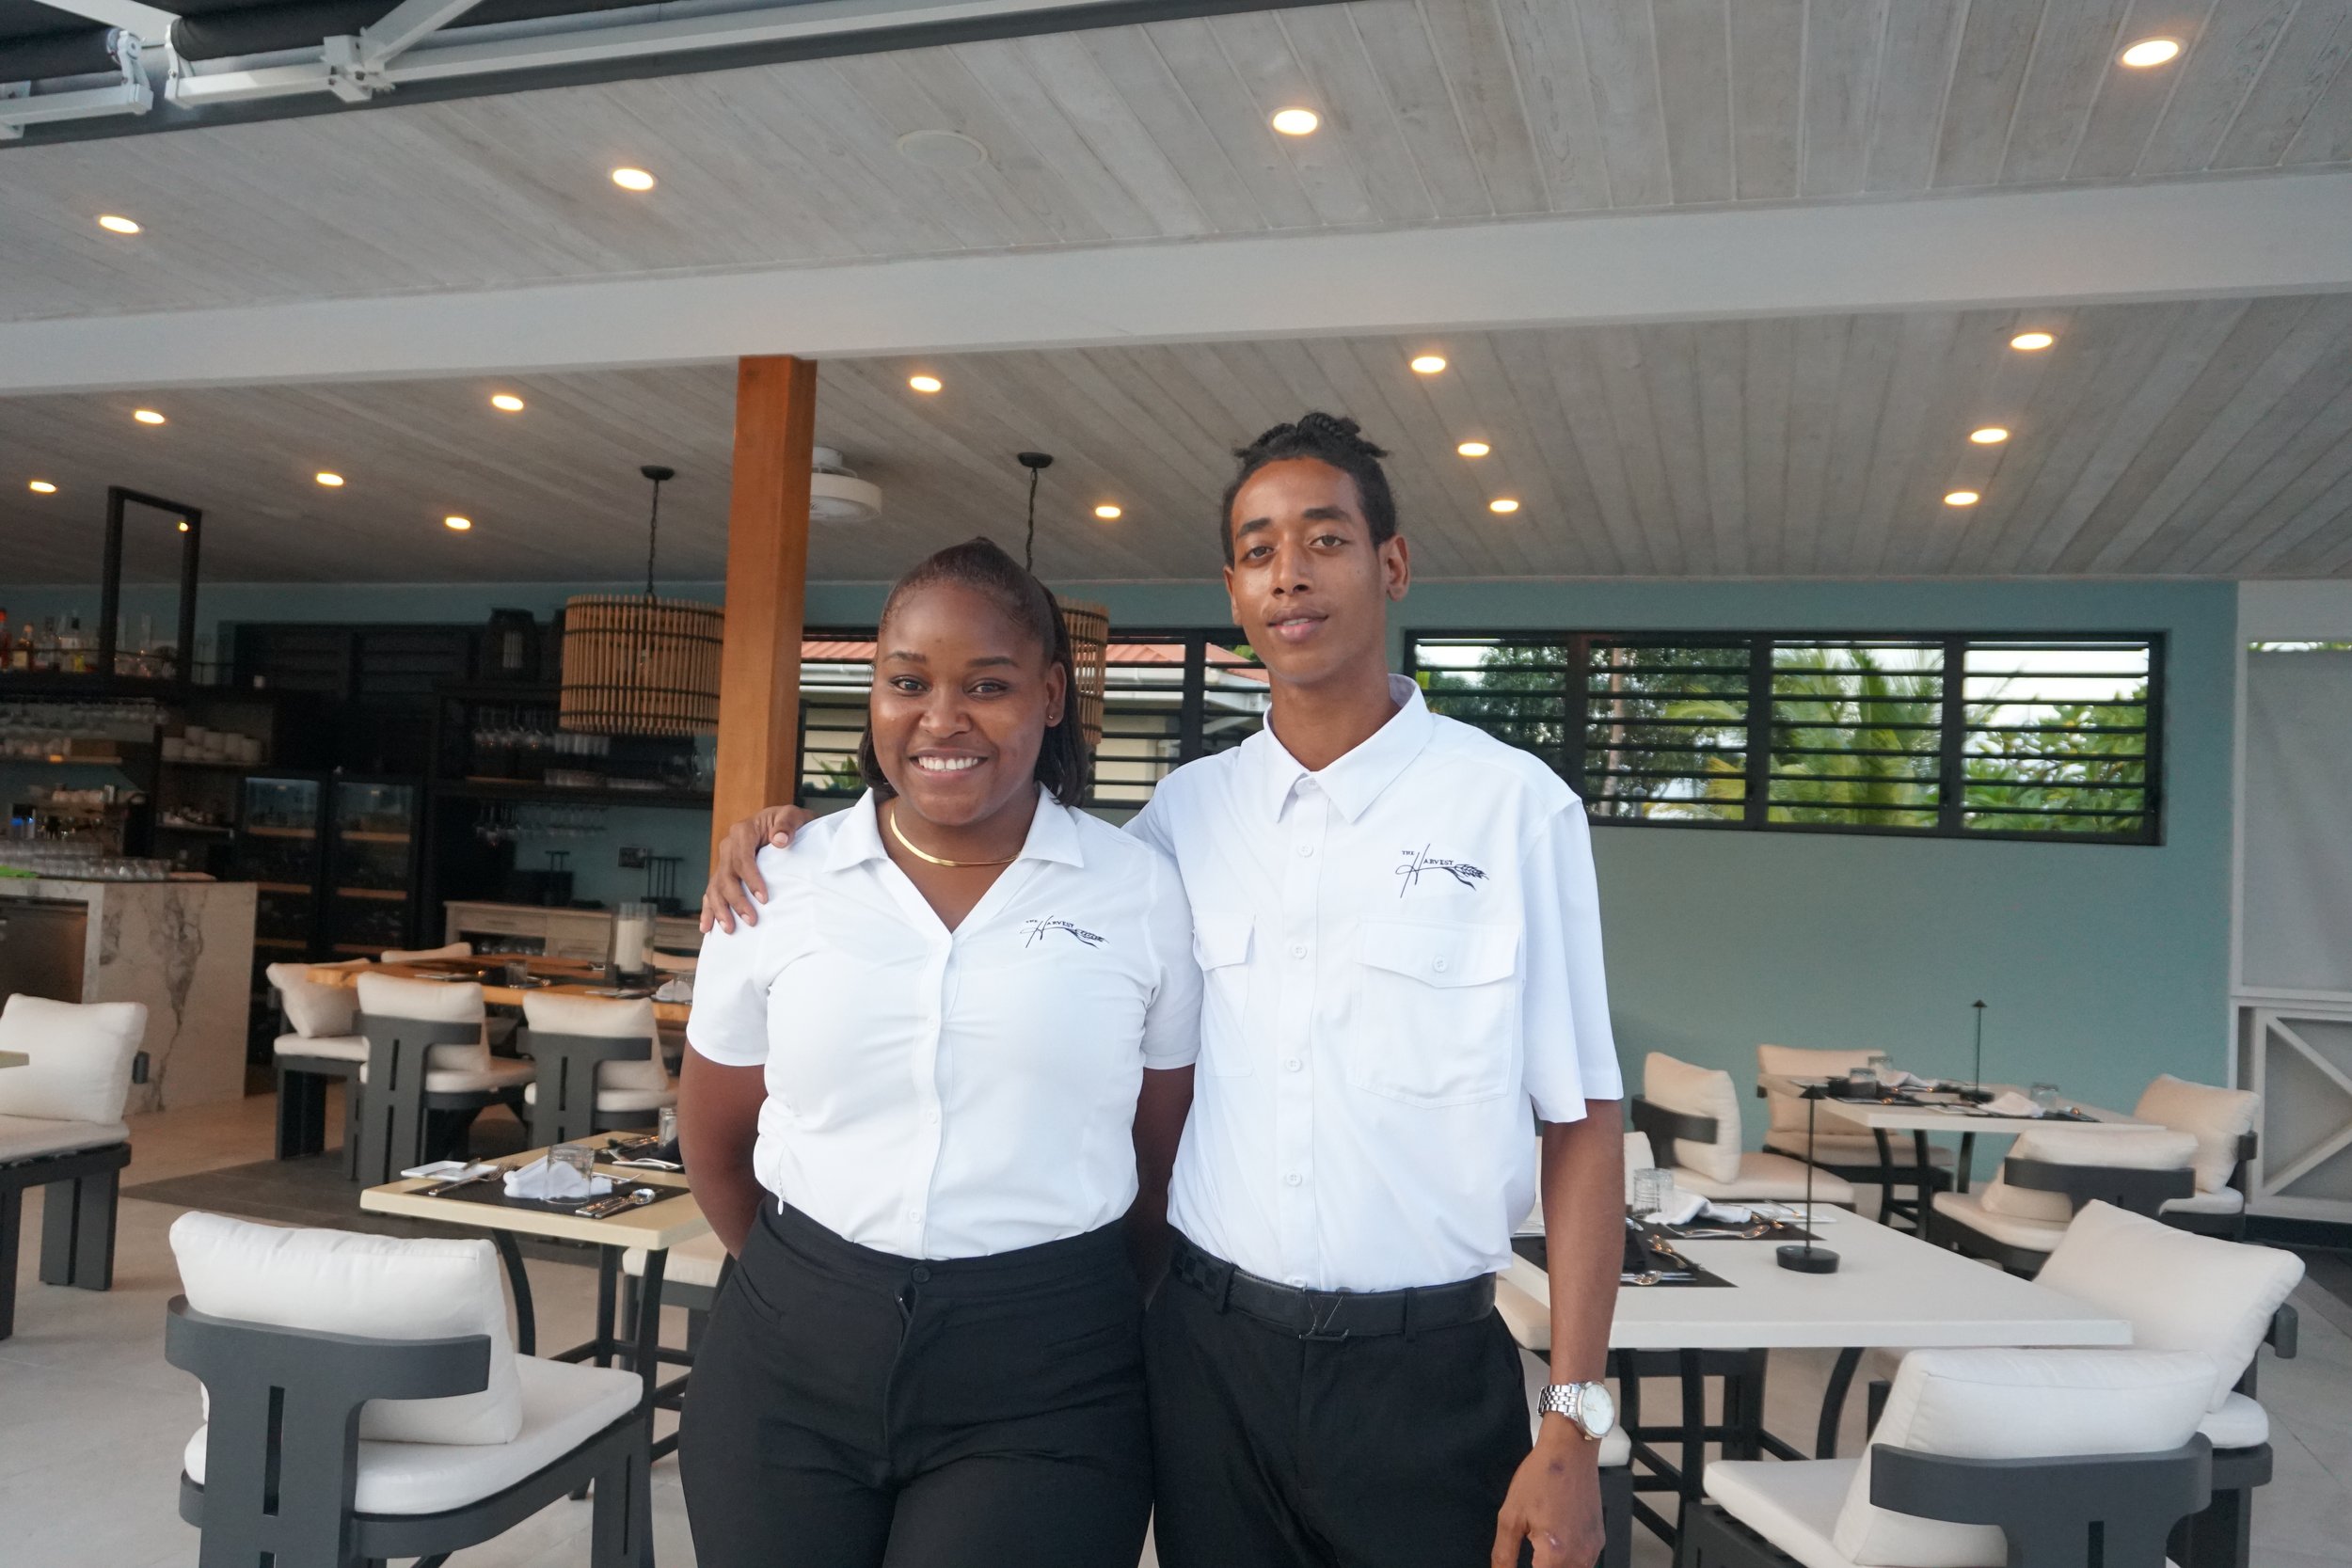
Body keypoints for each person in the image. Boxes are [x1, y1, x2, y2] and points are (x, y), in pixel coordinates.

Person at [705, 414, 1627, 1568]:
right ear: (1234, 591)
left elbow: (1584, 1119)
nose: (1289, 571)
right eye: (1256, 548)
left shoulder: (1513, 807)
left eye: (1323, 538)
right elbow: (1011, 873)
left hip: (1425, 1367)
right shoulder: (1179, 825)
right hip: (1208, 1366)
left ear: (1390, 564)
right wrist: (797, 836)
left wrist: (1575, 1420)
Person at [675, 537, 1201, 1568]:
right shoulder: (780, 881)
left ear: (1051, 695)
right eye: (907, 681)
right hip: (786, 1360)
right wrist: (819, 1291)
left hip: (1047, 1377)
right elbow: (714, 1134)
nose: (941, 717)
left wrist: (1045, 1302)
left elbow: (1160, 1157)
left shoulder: (1137, 889)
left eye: (988, 684)